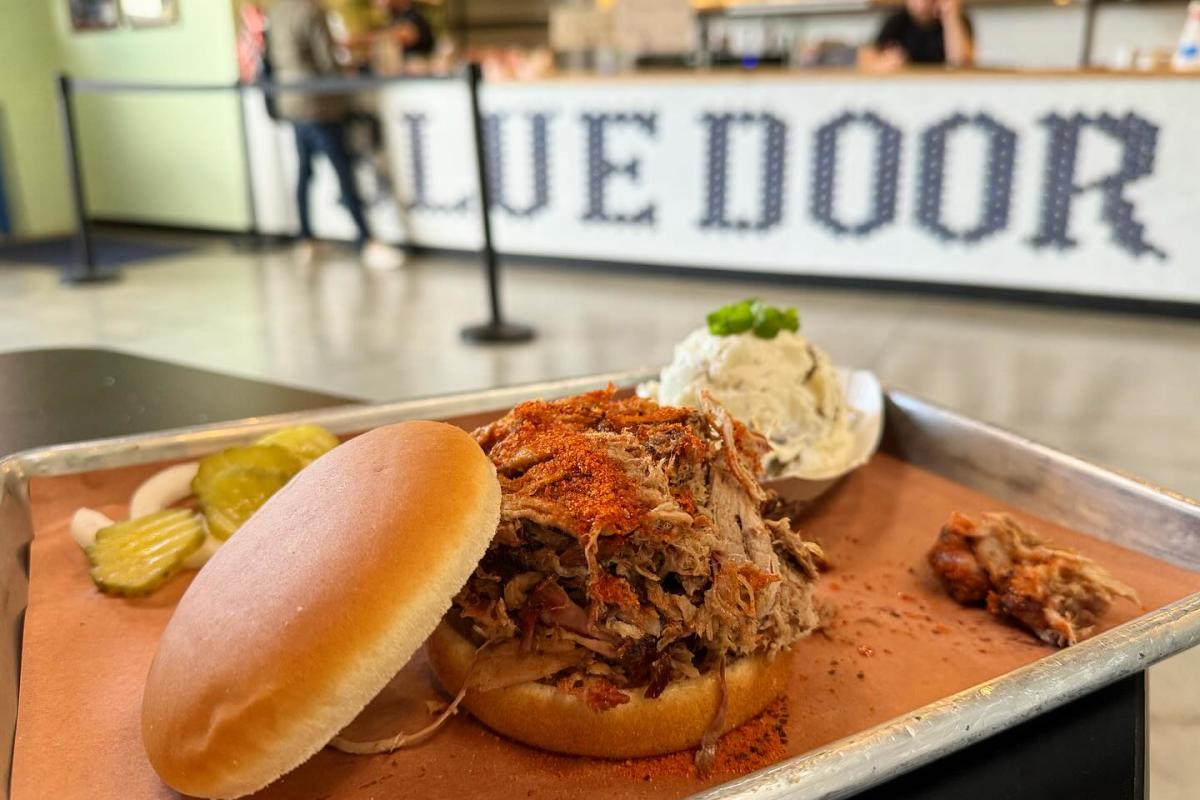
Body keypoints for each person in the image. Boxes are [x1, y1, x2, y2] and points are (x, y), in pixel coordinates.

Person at [266, 0, 404, 270]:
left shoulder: (278, 11)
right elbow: (326, 59)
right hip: (318, 101)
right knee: (343, 169)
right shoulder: (312, 11)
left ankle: (305, 238)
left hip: (290, 99)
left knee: (305, 171)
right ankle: (367, 240)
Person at [859, 0, 974, 71]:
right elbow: (865, 59)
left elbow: (961, 65)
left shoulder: (957, 21)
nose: (921, 3)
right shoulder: (896, 21)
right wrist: (883, 65)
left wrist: (950, 16)